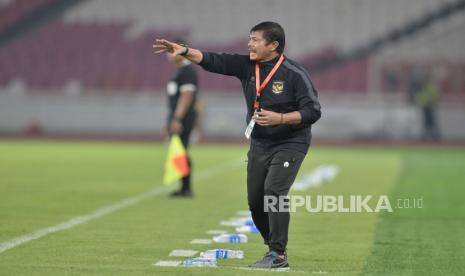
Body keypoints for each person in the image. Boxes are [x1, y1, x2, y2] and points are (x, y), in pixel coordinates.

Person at [154, 22, 321, 268]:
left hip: (290, 142)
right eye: (249, 39)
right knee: (255, 201)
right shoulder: (246, 66)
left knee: (274, 192)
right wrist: (186, 51)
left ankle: (278, 255)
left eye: (255, 39)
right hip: (260, 142)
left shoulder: (294, 73)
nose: (249, 44)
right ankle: (272, 248)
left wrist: (281, 118)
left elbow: (313, 111)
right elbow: (214, 60)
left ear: (273, 45)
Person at [163, 39, 198, 197]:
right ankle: (184, 186)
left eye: (171, 51)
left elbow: (186, 96)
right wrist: (169, 120)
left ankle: (186, 187)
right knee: (179, 150)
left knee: (182, 150)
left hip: (183, 117)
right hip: (177, 116)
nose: (168, 55)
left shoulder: (187, 71)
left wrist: (177, 119)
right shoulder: (179, 71)